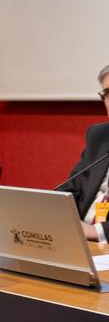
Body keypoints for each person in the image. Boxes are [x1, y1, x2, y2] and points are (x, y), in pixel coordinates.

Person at [58, 64, 109, 242]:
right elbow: (71, 188)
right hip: (78, 240)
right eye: (108, 93)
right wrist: (50, 213)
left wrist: (97, 231)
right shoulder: (100, 136)